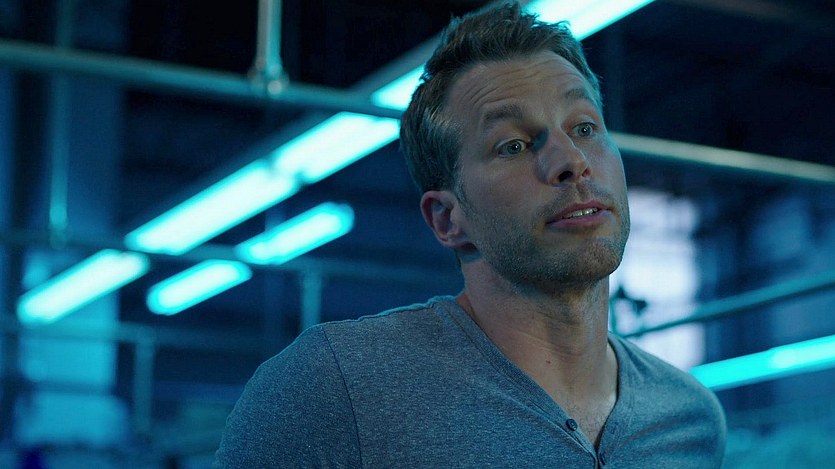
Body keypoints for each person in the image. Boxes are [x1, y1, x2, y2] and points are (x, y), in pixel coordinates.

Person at [213, 2, 726, 467]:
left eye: (585, 128)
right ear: (447, 219)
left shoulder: (689, 418)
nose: (571, 160)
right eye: (513, 145)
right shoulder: (333, 390)